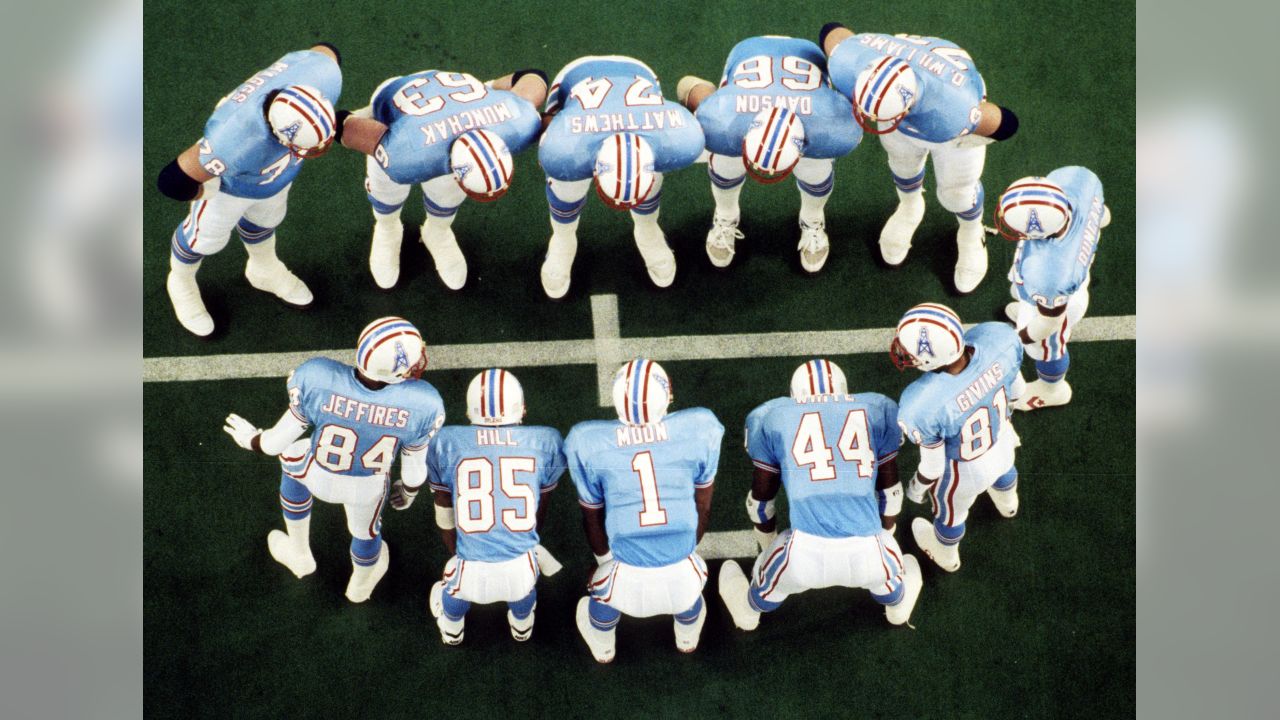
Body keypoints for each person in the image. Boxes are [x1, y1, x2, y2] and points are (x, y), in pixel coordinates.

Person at [221, 316, 445, 602]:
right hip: (368, 487)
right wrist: (409, 491)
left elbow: (275, 443)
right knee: (365, 531)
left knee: (292, 456)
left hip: (318, 475)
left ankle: (300, 553)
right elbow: (414, 469)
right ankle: (361, 585)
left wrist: (252, 439)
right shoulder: (423, 404)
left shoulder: (317, 376)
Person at [719, 360, 923, 631]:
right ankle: (896, 607)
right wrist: (885, 536)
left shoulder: (772, 415)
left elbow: (759, 505)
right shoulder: (877, 408)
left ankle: (750, 614)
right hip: (869, 553)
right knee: (895, 582)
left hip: (801, 556)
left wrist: (769, 546)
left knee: (758, 599)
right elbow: (891, 495)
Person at [156, 44, 343, 336]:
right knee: (203, 238)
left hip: (274, 178)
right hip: (232, 188)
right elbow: (172, 181)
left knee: (266, 220)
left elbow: (326, 50)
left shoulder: (322, 75)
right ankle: (180, 280)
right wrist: (205, 192)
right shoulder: (235, 142)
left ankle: (263, 268)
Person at [822, 24, 1020, 293]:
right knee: (902, 163)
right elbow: (832, 32)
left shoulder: (954, 111)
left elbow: (1006, 124)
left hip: (951, 112)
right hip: (907, 92)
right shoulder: (851, 61)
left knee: (957, 192)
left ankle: (972, 231)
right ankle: (910, 207)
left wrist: (973, 129)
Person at [565, 359, 723, 662]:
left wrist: (604, 562)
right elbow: (702, 506)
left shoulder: (587, 441)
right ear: (668, 396)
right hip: (684, 577)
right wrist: (682, 551)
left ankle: (604, 645)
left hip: (623, 583)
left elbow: (592, 516)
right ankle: (687, 636)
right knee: (690, 588)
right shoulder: (700, 427)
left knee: (595, 583)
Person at [339, 69, 547, 290]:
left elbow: (532, 76)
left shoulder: (519, 122)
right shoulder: (405, 153)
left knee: (446, 193)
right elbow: (341, 124)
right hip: (401, 109)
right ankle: (387, 227)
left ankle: (436, 230)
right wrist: (362, 119)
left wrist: (489, 88)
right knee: (388, 190)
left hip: (451, 105)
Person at [677, 35, 862, 271]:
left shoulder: (829, 126)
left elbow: (686, 83)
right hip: (748, 51)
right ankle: (725, 214)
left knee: (816, 169)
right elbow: (688, 86)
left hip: (807, 61)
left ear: (802, 144)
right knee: (725, 161)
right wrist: (705, 103)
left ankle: (812, 220)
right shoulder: (725, 121)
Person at [537, 56, 705, 298]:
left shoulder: (678, 137)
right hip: (576, 77)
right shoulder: (566, 145)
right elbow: (547, 128)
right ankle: (563, 239)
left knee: (649, 163)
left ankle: (647, 229)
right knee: (566, 180)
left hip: (639, 79)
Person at [425, 369, 565, 645]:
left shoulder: (445, 442)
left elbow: (443, 507)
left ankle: (452, 629)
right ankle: (522, 624)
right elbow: (540, 506)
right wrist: (524, 541)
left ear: (469, 413)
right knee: (525, 583)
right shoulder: (546, 441)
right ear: (521, 409)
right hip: (520, 571)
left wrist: (457, 553)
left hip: (469, 575)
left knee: (453, 583)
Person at [891, 303, 1024, 572]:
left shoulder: (922, 403)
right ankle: (1008, 503)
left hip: (964, 471)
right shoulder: (998, 339)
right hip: (1001, 439)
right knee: (1003, 470)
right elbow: (1018, 392)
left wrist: (917, 487)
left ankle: (947, 554)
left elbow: (933, 467)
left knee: (951, 514)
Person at [996, 168, 1111, 410]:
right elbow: (1102, 216)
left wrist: (1020, 337)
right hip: (1068, 273)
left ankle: (1053, 389)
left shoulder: (1048, 273)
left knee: (1044, 346)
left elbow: (1048, 323)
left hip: (1058, 305)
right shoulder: (1078, 180)